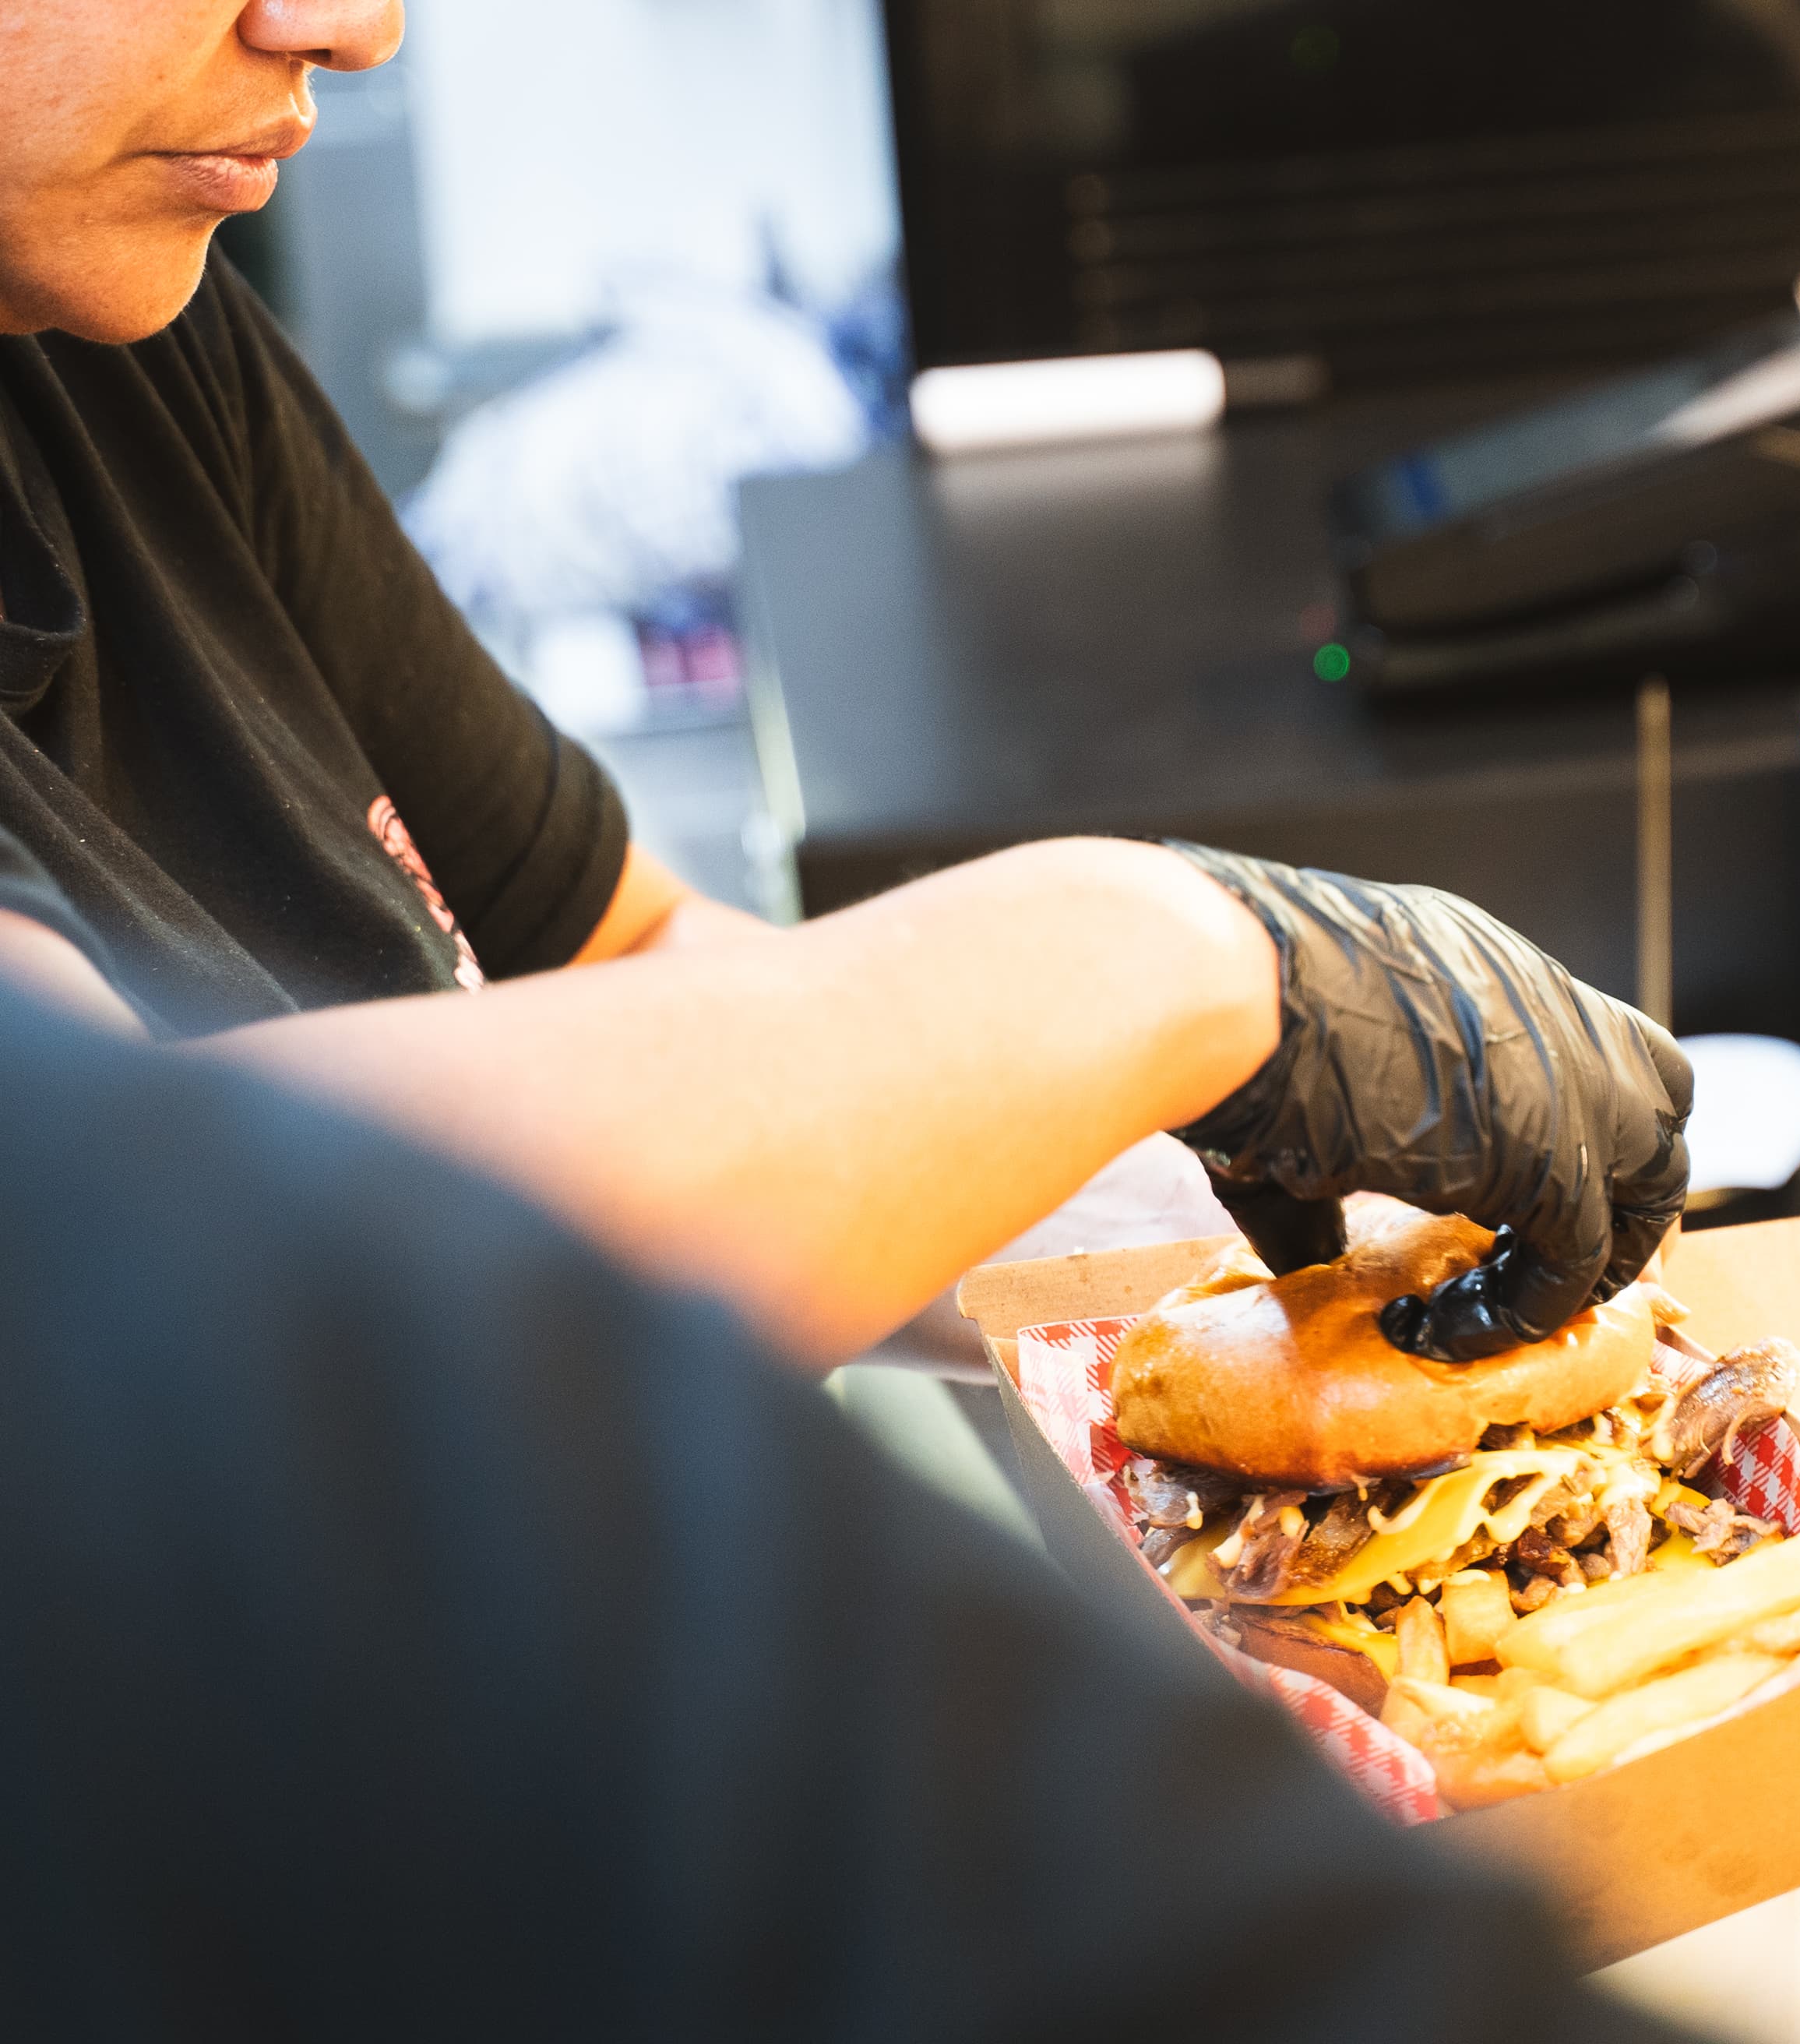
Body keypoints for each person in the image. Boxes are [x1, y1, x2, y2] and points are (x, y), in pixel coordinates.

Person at [0, 0, 1691, 1366]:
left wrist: (1190, 1219)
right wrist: (1169, 960)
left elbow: (627, 950)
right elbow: (168, 1290)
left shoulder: (119, 348)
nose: (349, 28)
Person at [0, 977, 1703, 2040]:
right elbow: (213, 1260)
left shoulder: (166, 408)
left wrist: (1072, 1133)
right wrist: (1149, 958)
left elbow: (648, 938)